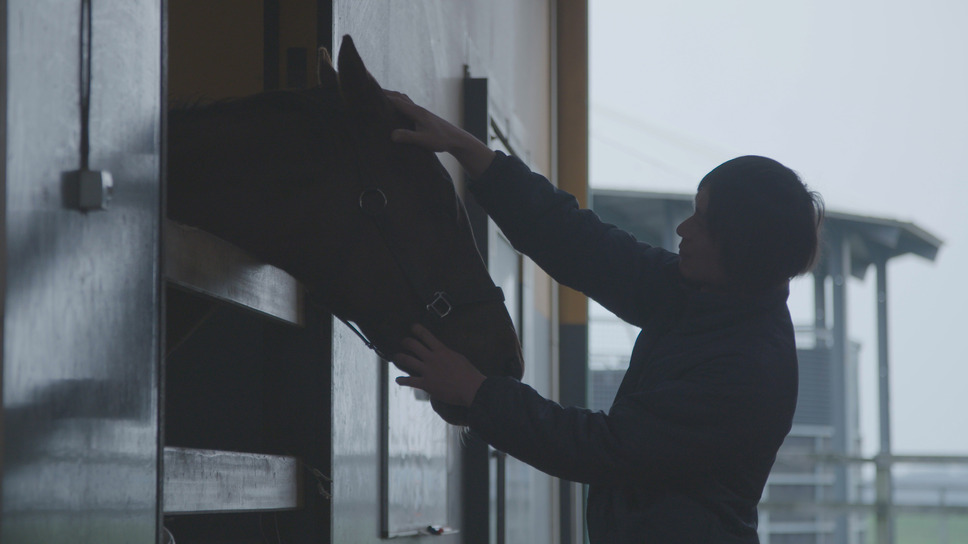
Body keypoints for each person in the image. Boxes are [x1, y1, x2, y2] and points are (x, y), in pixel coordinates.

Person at [386, 91, 823, 543]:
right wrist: (466, 149)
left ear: (740, 246)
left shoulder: (749, 370)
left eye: (702, 221)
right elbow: (584, 246)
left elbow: (605, 448)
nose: (683, 229)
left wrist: (476, 392)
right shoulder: (705, 292)